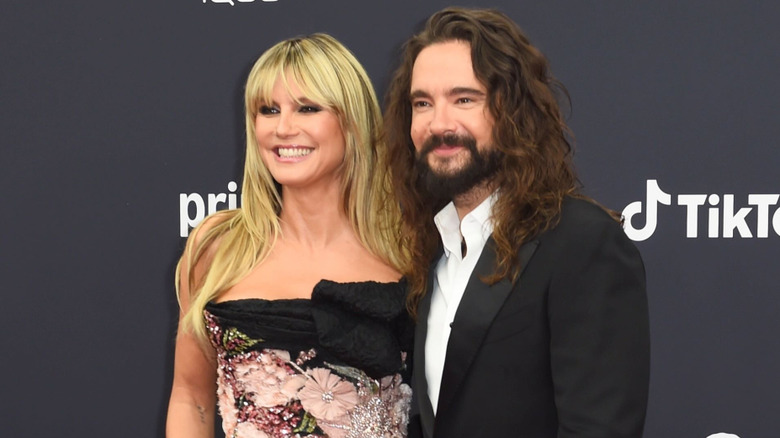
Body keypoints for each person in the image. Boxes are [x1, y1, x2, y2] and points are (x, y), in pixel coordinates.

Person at [384, 7, 650, 438]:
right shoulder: (433, 249)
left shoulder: (582, 243)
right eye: (422, 103)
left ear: (513, 112)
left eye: (464, 99)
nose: (439, 123)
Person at [166, 33, 412, 438]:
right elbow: (190, 398)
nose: (282, 128)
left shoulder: (408, 248)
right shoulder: (218, 246)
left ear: (352, 121)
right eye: (268, 110)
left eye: (307, 108)